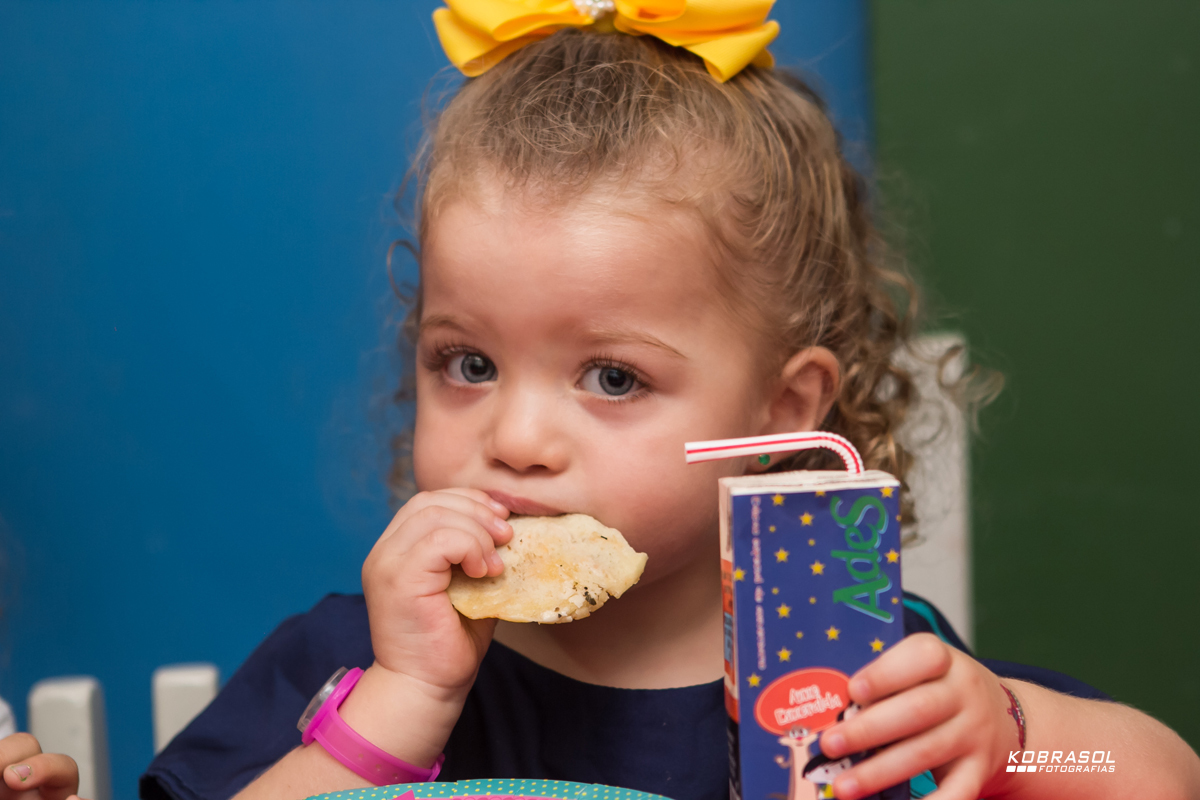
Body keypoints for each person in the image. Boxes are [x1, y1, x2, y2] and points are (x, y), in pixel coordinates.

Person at [5, 5, 1199, 800]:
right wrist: (402, 708)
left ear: (785, 413)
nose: (514, 439)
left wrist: (1027, 735)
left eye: (613, 377)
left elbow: (1160, 773)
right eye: (465, 362)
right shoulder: (352, 666)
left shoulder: (853, 661)